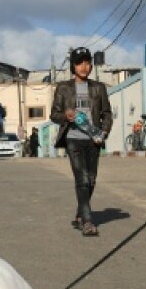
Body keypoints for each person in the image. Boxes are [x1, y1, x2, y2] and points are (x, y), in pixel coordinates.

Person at [49, 47, 112, 236]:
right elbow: (54, 114)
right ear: (73, 66)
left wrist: (103, 132)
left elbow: (107, 114)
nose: (84, 67)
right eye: (79, 63)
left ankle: (79, 214)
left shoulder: (99, 88)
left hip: (93, 140)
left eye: (87, 62)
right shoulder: (63, 88)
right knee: (82, 179)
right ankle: (87, 221)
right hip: (73, 138)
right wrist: (65, 116)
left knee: (91, 180)